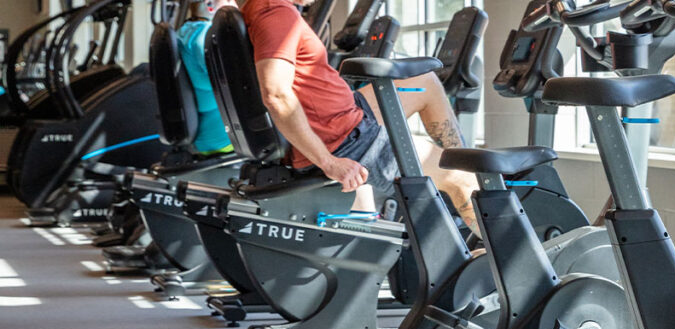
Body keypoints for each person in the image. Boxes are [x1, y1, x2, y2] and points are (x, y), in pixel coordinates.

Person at [241, 0, 479, 229]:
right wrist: (329, 162)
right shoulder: (275, 12)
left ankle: (459, 175)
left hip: (343, 116)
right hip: (345, 139)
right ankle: (493, 249)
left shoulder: (268, 8)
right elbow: (276, 95)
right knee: (459, 177)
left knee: (425, 83)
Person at [178, 0, 235, 156]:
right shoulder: (205, 38)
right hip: (219, 138)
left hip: (204, 131)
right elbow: (231, 78)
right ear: (209, 5)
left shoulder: (186, 30)